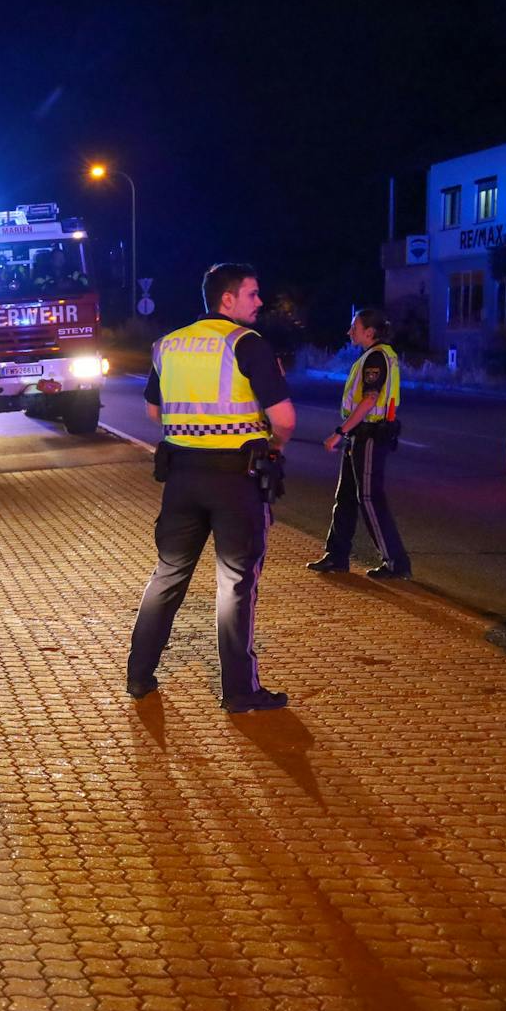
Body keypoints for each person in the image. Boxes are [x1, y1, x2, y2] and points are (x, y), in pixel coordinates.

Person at [127, 263, 297, 713]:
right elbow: (284, 419)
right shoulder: (248, 344)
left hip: (181, 477)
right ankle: (240, 692)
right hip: (235, 479)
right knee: (236, 584)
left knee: (168, 574)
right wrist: (272, 446)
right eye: (253, 294)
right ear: (228, 299)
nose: (259, 303)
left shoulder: (168, 344)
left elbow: (152, 413)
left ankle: (139, 675)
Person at [307, 308, 410, 578]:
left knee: (369, 498)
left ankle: (395, 563)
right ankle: (337, 556)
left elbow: (369, 400)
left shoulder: (377, 356)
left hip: (370, 435)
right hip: (360, 435)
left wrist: (340, 432)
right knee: (346, 498)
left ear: (370, 332)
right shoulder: (372, 355)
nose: (349, 331)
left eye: (355, 326)